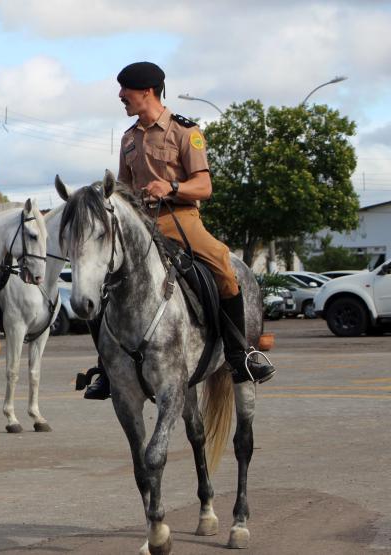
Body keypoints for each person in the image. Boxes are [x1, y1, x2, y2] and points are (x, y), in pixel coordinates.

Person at [79, 61, 275, 401]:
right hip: (139, 224)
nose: (121, 96)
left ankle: (240, 355)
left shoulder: (186, 132)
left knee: (224, 268)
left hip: (180, 218)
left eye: (126, 90)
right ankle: (107, 370)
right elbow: (124, 189)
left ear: (147, 92)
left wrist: (170, 186)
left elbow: (204, 186)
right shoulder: (128, 138)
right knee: (104, 281)